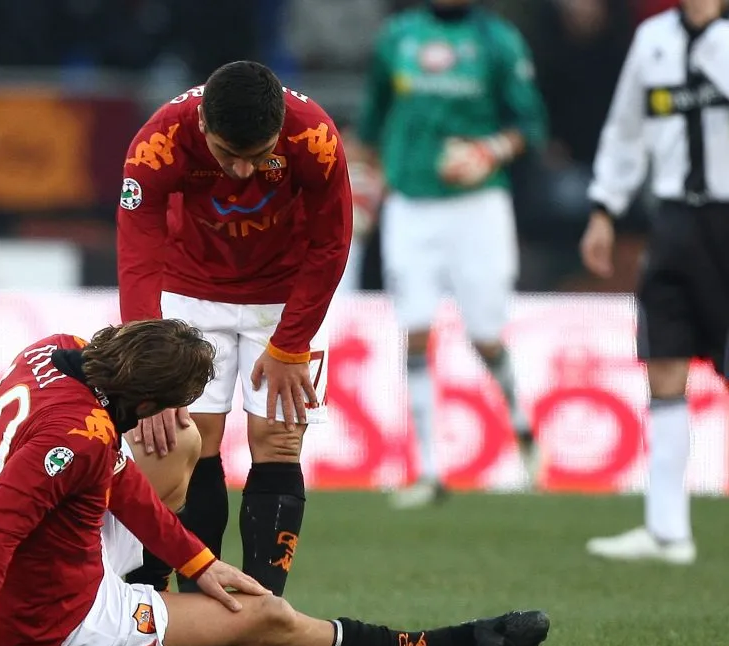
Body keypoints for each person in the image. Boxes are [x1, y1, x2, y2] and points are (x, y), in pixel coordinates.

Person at [0, 318, 552, 646]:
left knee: (179, 441)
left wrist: (199, 562)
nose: (171, 413)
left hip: (52, 553)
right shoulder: (79, 435)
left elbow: (115, 478)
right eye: (170, 404)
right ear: (144, 399)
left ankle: (161, 592)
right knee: (267, 617)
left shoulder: (55, 350)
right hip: (49, 617)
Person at [117, 60, 353, 596]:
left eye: (259, 157)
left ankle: (262, 603)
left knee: (279, 439)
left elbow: (332, 242)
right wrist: (149, 368)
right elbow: (137, 254)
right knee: (186, 439)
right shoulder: (159, 142)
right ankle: (200, 596)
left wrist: (292, 343)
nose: (243, 172)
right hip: (190, 293)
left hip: (283, 297)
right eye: (228, 156)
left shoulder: (315, 137)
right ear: (202, 123)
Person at [354, 0, 548, 508]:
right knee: (415, 329)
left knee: (485, 335)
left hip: (477, 205)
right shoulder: (399, 37)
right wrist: (367, 185)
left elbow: (531, 122)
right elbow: (372, 122)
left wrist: (490, 151)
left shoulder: (498, 40)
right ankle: (428, 471)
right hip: (411, 203)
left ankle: (523, 428)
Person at [580, 0, 729, 564]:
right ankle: (668, 530)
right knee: (664, 360)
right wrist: (604, 209)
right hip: (673, 222)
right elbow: (625, 129)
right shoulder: (652, 39)